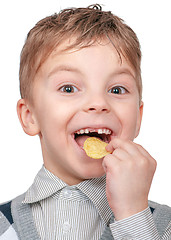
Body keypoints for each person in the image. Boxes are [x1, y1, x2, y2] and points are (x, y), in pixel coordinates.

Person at [0, 4, 170, 240]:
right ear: (30, 116)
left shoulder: (163, 226)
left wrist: (133, 215)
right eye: (68, 88)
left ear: (138, 117)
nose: (98, 103)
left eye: (117, 89)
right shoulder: (3, 226)